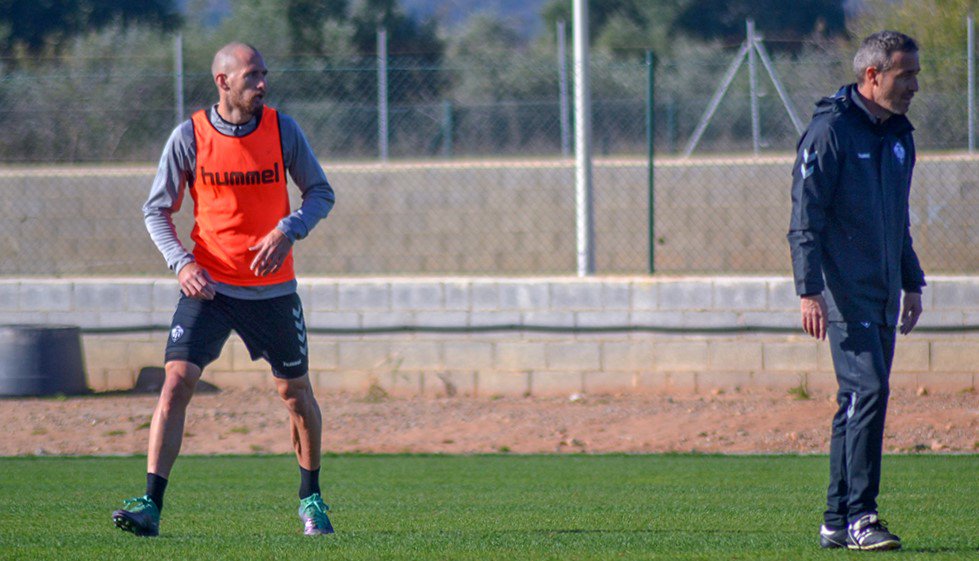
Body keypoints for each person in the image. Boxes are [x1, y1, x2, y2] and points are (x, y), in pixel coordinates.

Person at [112, 42, 336, 537]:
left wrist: (288, 229)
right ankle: (150, 504)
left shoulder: (283, 130)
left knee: (296, 395)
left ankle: (312, 499)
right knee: (175, 383)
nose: (263, 84)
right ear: (223, 81)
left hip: (273, 291)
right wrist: (181, 262)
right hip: (208, 287)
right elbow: (156, 209)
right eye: (253, 76)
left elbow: (320, 192)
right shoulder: (189, 136)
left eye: (264, 74)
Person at [788, 30, 925, 552]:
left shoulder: (898, 135)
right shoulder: (830, 132)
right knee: (869, 392)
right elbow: (805, 219)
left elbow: (899, 220)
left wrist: (911, 280)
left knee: (856, 401)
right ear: (873, 75)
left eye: (915, 73)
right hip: (843, 291)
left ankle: (835, 517)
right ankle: (862, 517)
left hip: (885, 290)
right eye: (904, 74)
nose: (914, 85)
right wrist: (809, 290)